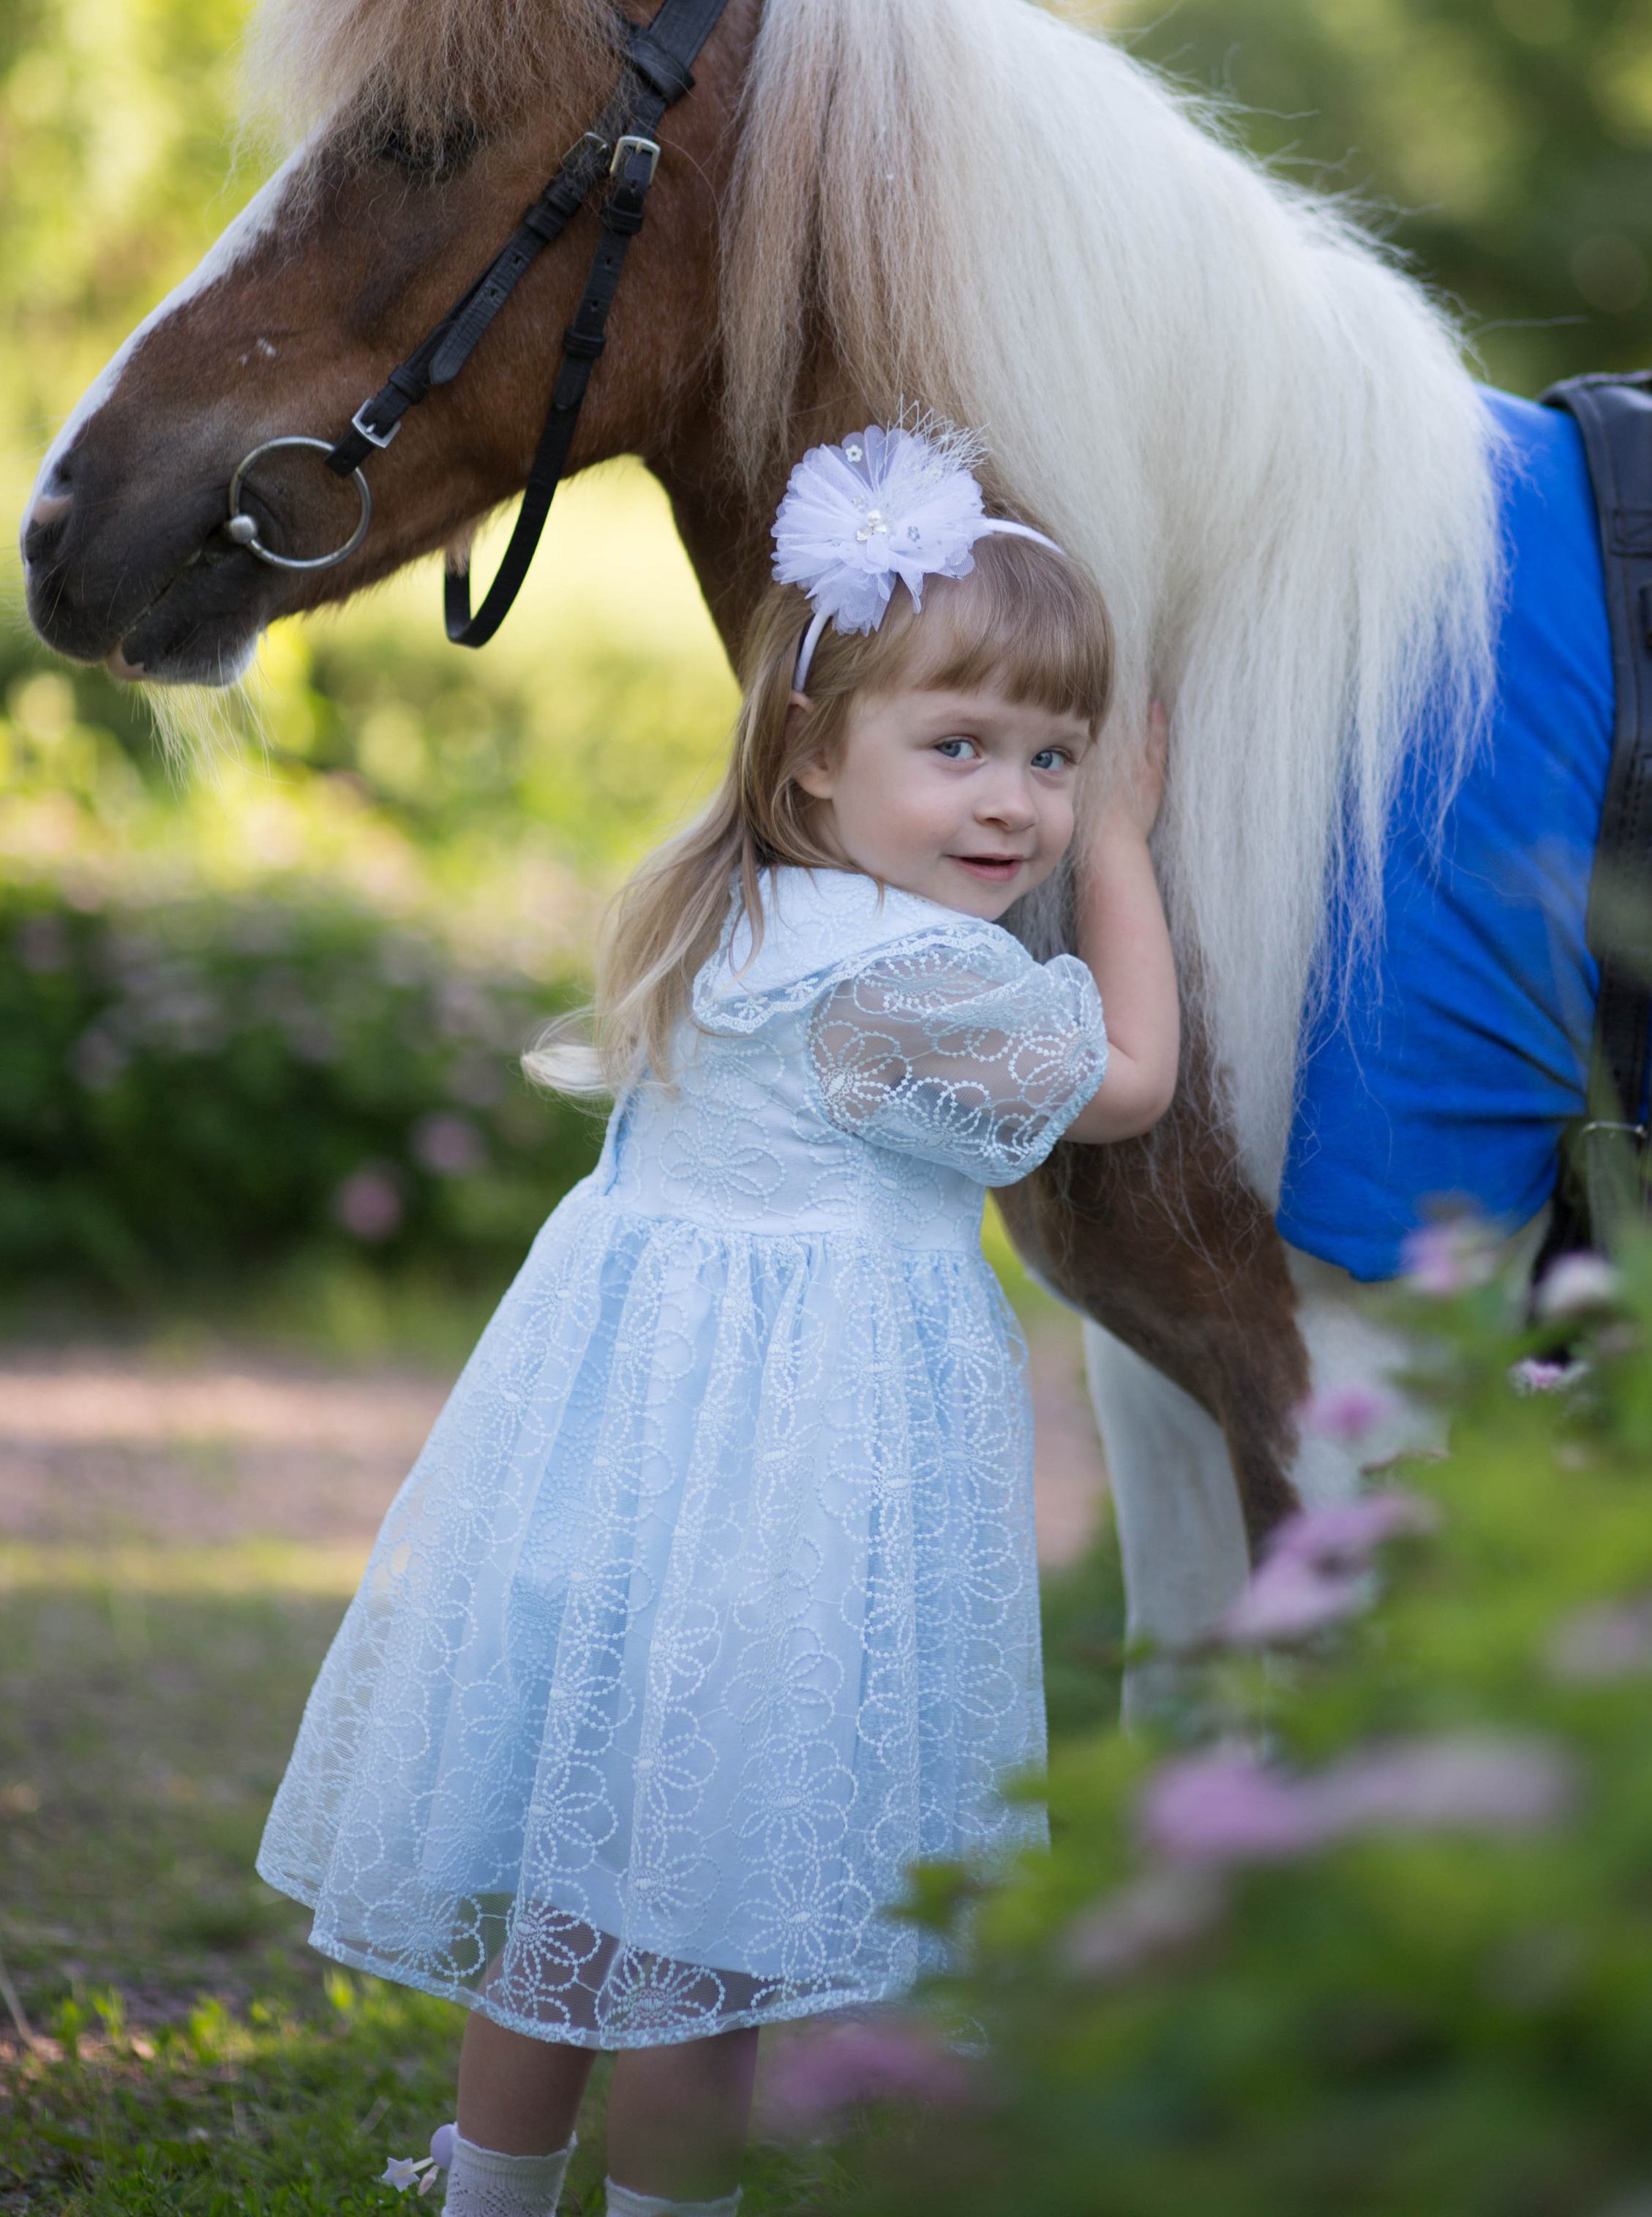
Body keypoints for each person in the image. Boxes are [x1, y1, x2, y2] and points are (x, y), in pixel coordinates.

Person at [257, 424, 1179, 2217]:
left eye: (1055, 760)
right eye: (959, 748)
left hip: (611, 1479)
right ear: (818, 755)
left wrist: (1060, 799)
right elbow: (1130, 1083)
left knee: (570, 1884)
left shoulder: (737, 913)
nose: (1015, 802)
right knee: (707, 1907)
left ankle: (493, 2196)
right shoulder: (915, 977)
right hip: (781, 1500)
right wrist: (1127, 844)